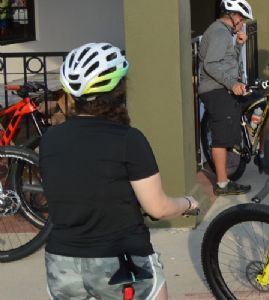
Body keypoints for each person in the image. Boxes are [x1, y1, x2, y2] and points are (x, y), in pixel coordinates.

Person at [42, 43, 198, 300]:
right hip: (121, 262)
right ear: (119, 90)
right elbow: (157, 208)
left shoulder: (50, 139)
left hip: (62, 263)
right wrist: (189, 203)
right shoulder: (128, 139)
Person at [198, 0, 254, 195]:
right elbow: (210, 64)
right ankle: (223, 183)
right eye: (243, 20)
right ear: (235, 16)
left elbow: (228, 63)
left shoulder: (223, 32)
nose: (242, 25)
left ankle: (242, 146)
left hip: (223, 86)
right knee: (221, 138)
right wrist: (232, 84)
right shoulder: (219, 33)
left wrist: (238, 46)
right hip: (216, 90)